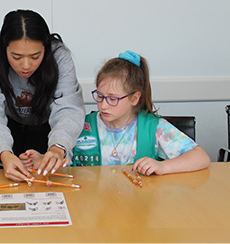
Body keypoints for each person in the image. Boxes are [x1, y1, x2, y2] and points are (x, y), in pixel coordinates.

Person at [0, 9, 85, 181]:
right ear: (4, 48)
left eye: (35, 56)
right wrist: (4, 153)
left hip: (48, 127)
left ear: (46, 48)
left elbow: (68, 107)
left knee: (44, 180)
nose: (26, 65)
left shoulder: (59, 55)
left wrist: (57, 148)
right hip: (7, 127)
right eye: (16, 57)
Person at [69, 50, 211, 175]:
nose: (103, 105)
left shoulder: (154, 127)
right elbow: (60, 161)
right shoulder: (81, 125)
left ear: (134, 98)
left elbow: (201, 157)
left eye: (112, 99)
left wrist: (162, 166)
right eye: (100, 96)